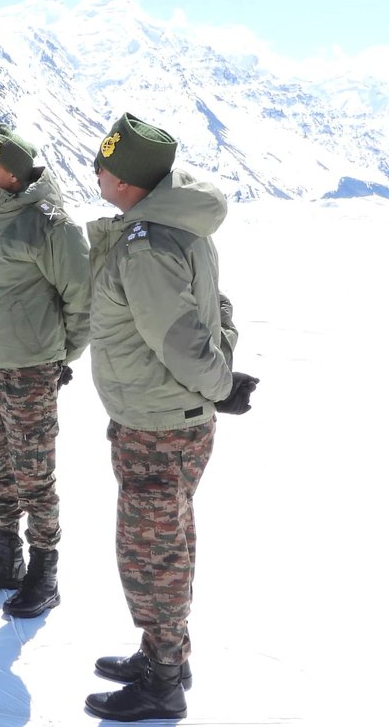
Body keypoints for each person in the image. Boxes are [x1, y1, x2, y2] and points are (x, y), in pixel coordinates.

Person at [82, 113, 259, 722]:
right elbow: (215, 309)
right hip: (158, 415)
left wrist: (222, 386)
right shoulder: (175, 229)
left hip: (159, 422)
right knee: (166, 539)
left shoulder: (148, 248)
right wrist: (220, 378)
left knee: (151, 551)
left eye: (105, 166)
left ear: (128, 181)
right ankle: (166, 654)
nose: (98, 173)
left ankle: (162, 682)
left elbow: (182, 339)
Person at [0, 124, 91, 619]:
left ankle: (44, 569)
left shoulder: (50, 225)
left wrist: (59, 356)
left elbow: (83, 301)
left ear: (12, 172)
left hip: (29, 368)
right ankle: (6, 555)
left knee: (34, 471)